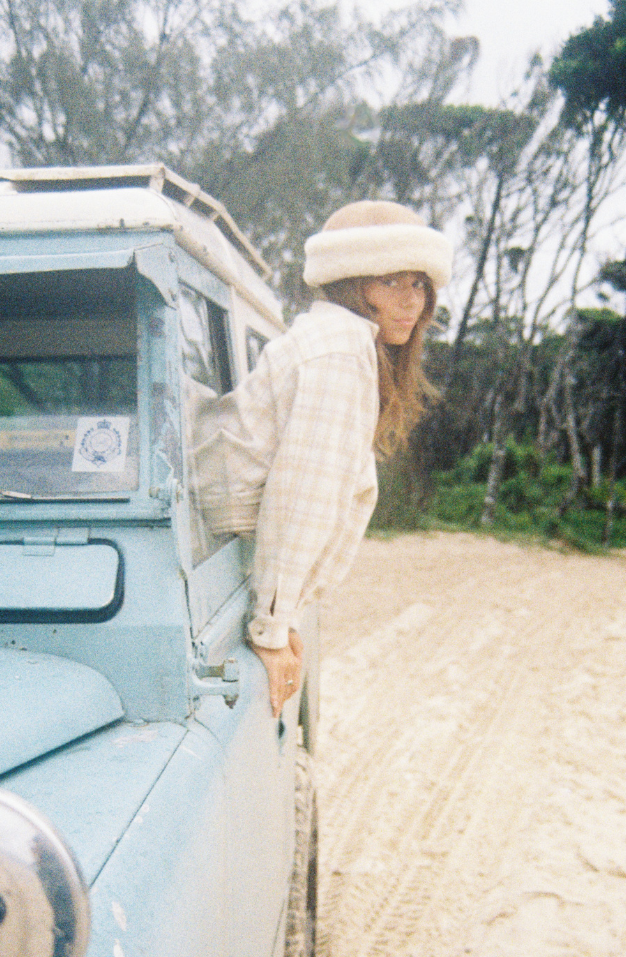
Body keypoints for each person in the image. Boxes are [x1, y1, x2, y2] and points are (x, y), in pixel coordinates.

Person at [192, 200, 452, 715]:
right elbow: (301, 503)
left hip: (227, 560)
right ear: (352, 283)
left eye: (418, 284)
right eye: (390, 282)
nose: (410, 302)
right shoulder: (338, 351)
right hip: (220, 558)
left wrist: (278, 617)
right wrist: (271, 629)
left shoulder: (337, 339)